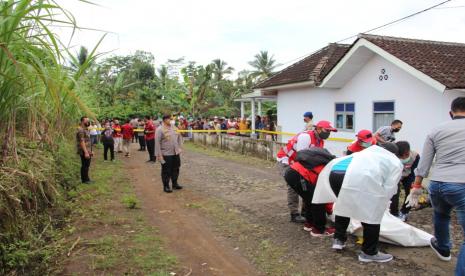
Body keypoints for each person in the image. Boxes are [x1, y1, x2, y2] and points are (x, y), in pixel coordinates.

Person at [313, 143, 403, 263]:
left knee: (344, 205)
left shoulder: (367, 151)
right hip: (358, 176)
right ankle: (369, 252)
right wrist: (383, 203)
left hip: (335, 171)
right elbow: (390, 187)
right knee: (371, 214)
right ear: (395, 153)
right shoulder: (394, 160)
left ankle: (339, 240)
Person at [408, 97, 465, 275]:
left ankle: (443, 248)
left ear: (450, 113)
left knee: (441, 214)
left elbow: (424, 162)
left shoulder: (436, 130)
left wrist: (416, 186)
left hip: (437, 184)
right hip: (461, 185)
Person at [277, 120, 338, 225]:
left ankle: (306, 212)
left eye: (330, 131)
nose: (328, 133)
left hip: (301, 162)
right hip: (286, 160)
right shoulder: (306, 137)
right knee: (294, 186)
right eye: (326, 130)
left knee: (308, 185)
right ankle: (294, 214)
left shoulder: (320, 141)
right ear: (318, 129)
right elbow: (302, 156)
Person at [284, 147, 336, 236]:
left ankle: (309, 224)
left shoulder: (325, 163)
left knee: (309, 199)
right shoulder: (329, 171)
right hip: (299, 175)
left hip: (291, 171)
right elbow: (326, 198)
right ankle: (319, 230)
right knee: (319, 201)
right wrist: (331, 212)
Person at [389, 141, 420, 221]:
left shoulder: (415, 156)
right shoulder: (391, 156)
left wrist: (414, 182)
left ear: (409, 151)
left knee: (410, 192)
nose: (403, 158)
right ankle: (394, 213)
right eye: (401, 156)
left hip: (408, 175)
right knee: (394, 193)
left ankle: (404, 212)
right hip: (395, 175)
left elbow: (414, 171)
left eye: (406, 155)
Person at [156, 114, 183, 193]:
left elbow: (179, 137)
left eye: (171, 119)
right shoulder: (159, 129)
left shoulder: (174, 128)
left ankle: (175, 184)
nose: (171, 121)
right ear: (164, 120)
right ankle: (166, 186)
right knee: (166, 170)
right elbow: (157, 143)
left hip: (175, 152)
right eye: (169, 119)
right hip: (166, 153)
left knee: (176, 168)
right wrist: (159, 155)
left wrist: (179, 148)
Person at [76, 116, 93, 183]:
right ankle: (85, 180)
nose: (88, 122)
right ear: (82, 121)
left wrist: (90, 151)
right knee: (85, 165)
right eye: (86, 121)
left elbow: (87, 140)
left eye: (88, 121)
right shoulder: (80, 130)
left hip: (87, 149)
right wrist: (86, 152)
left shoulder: (86, 129)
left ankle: (86, 179)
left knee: (87, 164)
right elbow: (82, 142)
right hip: (83, 150)